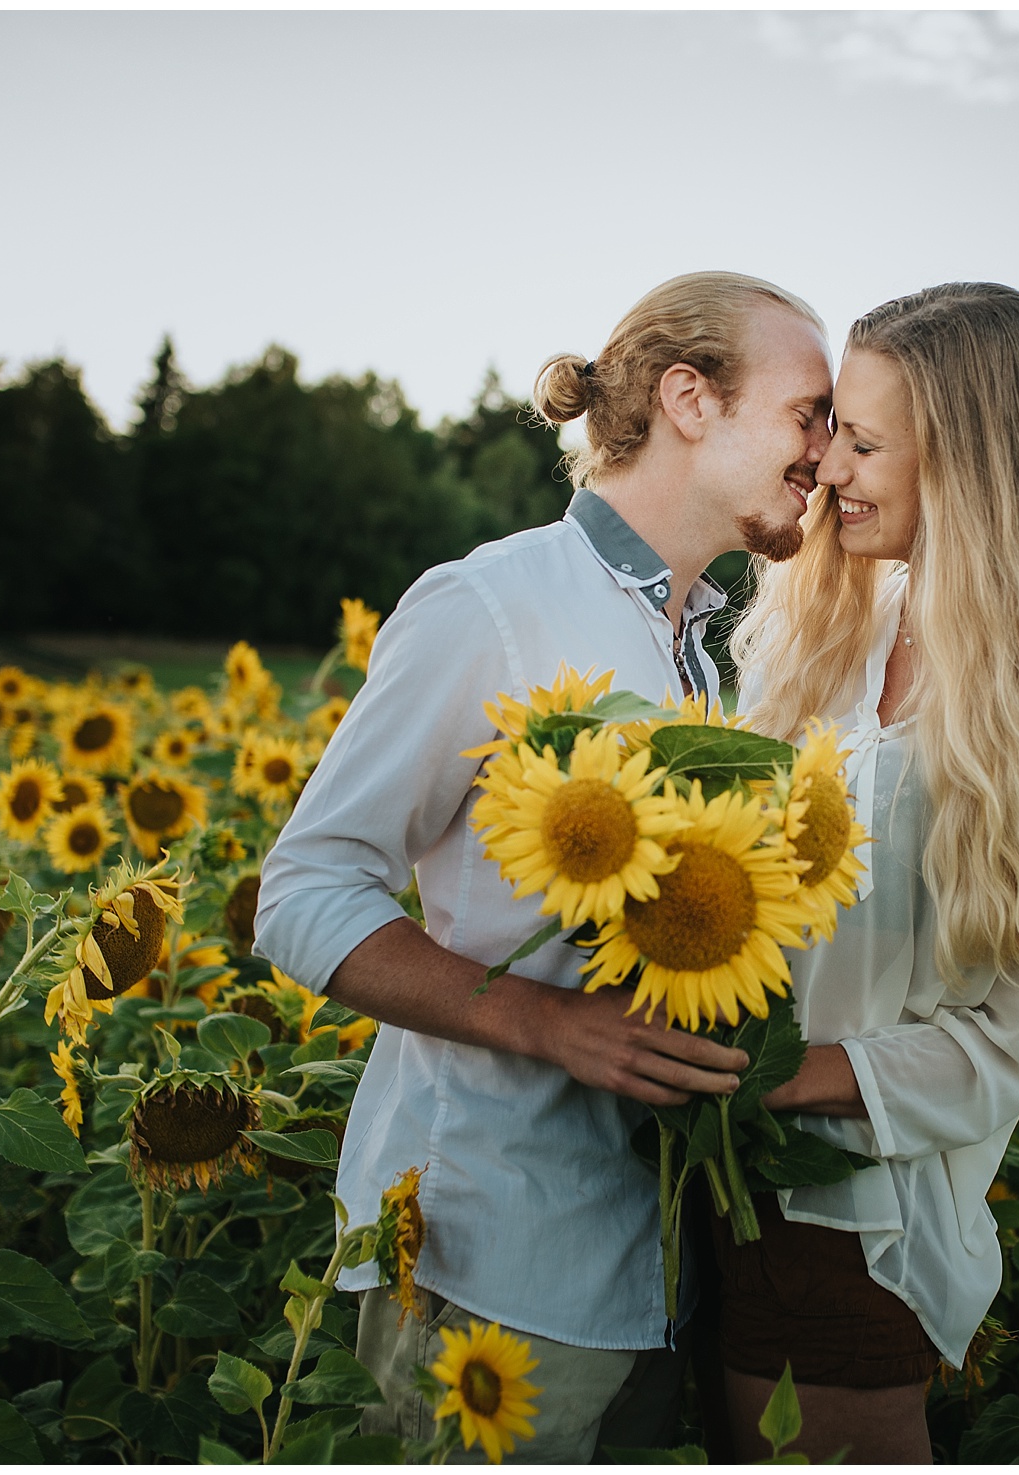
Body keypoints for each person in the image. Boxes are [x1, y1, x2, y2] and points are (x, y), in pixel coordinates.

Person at [253, 271, 834, 1462]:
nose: (825, 454)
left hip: (650, 1272)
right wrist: (545, 1019)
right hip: (487, 1256)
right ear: (689, 398)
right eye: (807, 412)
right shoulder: (492, 605)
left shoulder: (707, 660)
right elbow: (303, 890)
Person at [723, 282, 1019, 1462]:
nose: (827, 470)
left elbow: (992, 1055)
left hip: (853, 1228)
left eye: (865, 442)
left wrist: (758, 1080)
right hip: (704, 1190)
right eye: (832, 434)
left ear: (979, 467)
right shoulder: (826, 629)